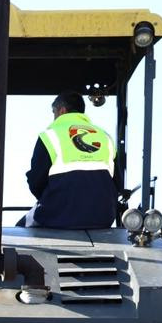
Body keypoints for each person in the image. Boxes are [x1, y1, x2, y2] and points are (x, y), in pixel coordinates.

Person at [22, 92, 118, 228]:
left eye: (54, 112)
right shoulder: (105, 136)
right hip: (103, 217)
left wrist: (51, 201)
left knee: (19, 228)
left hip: (59, 215)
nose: (54, 117)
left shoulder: (50, 135)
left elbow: (36, 181)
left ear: (62, 111)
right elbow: (117, 182)